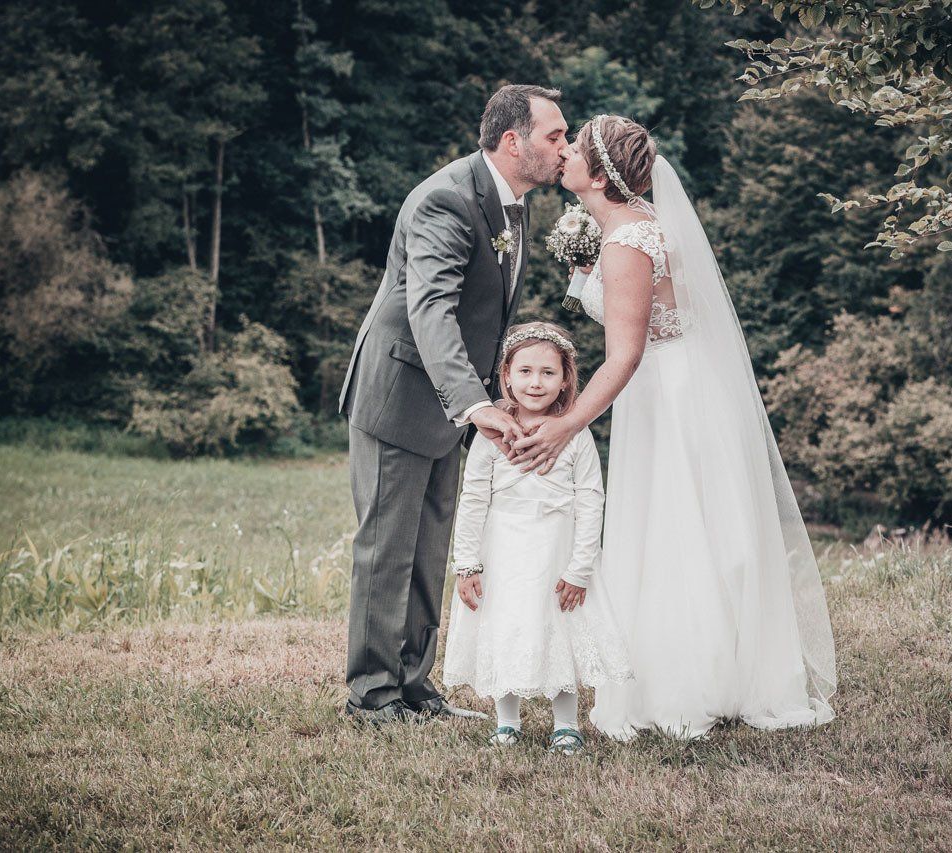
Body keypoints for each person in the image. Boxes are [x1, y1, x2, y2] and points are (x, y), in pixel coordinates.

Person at [510, 115, 840, 739]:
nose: (565, 152)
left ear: (599, 177)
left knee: (674, 523)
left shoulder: (628, 242)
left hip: (663, 389)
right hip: (676, 380)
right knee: (690, 521)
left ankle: (684, 684)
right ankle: (716, 666)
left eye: (576, 146)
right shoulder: (631, 226)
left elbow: (625, 354)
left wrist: (567, 424)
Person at [336, 85, 569, 724]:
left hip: (446, 407)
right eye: (555, 135)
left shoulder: (512, 204)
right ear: (513, 141)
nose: (565, 147)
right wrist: (474, 403)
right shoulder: (446, 199)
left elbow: (484, 315)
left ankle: (414, 686)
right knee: (386, 549)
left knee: (428, 549)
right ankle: (372, 696)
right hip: (401, 393)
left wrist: (485, 399)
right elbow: (431, 309)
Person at [442, 322, 631, 754]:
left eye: (548, 372)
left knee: (559, 630)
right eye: (525, 371)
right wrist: (467, 564)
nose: (535, 382)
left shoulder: (575, 435)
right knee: (504, 628)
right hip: (502, 551)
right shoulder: (491, 435)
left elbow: (590, 500)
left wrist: (580, 569)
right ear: (506, 375)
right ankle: (507, 722)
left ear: (565, 379)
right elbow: (473, 499)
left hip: (556, 551)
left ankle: (566, 724)